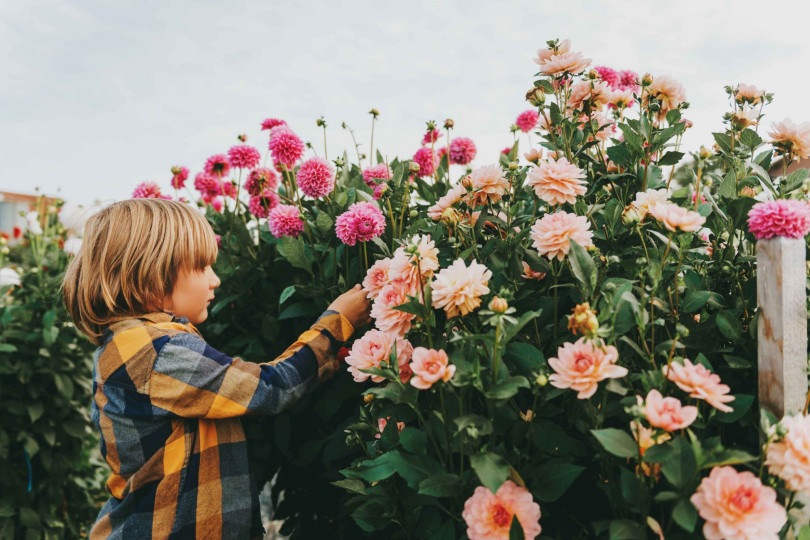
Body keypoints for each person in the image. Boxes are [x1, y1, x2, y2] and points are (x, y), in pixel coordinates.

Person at [62, 198, 371, 539]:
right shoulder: (156, 351)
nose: (216, 280)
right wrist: (336, 324)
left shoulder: (135, 343)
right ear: (151, 272)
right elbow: (270, 389)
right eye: (202, 267)